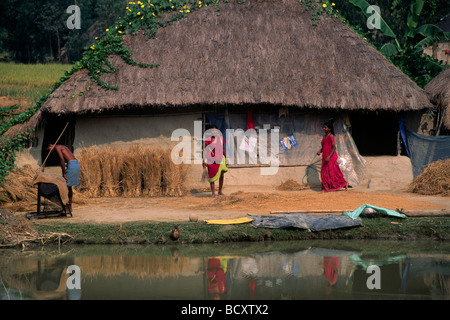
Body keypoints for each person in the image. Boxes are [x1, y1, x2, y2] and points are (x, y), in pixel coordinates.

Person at [46, 144, 81, 213]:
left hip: (72, 165)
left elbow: (62, 159)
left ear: (50, 145)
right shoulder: (63, 147)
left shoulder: (57, 147)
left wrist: (64, 173)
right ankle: (69, 208)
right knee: (69, 187)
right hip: (76, 164)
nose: (51, 152)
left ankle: (66, 208)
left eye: (49, 150)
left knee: (64, 188)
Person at [316, 120, 349, 192]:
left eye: (325, 127)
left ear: (329, 129)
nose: (324, 129)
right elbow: (324, 146)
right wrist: (320, 151)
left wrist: (329, 157)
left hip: (331, 157)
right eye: (323, 127)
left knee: (332, 172)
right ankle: (327, 187)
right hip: (325, 156)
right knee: (325, 172)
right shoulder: (324, 137)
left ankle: (342, 183)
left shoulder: (331, 136)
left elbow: (334, 147)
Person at [203, 125, 228, 197]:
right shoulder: (208, 140)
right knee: (211, 176)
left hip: (220, 159)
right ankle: (213, 193)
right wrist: (204, 160)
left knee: (222, 174)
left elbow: (223, 149)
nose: (214, 131)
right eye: (212, 130)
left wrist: (226, 159)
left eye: (215, 130)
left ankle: (220, 191)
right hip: (211, 160)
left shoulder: (220, 139)